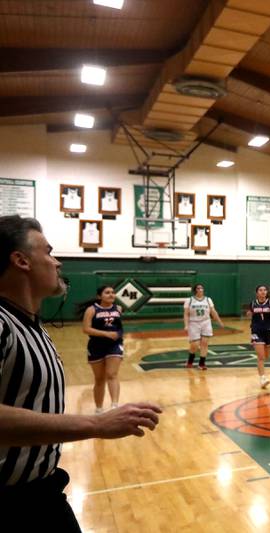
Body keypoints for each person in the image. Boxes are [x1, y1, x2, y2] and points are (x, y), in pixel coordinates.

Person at [0, 215, 160, 530]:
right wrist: (95, 423)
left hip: (42, 493)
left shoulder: (32, 326)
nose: (57, 262)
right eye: (48, 252)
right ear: (21, 261)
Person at [80, 285, 124, 413]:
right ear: (100, 296)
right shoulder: (92, 310)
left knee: (112, 374)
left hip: (114, 345)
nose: (111, 295)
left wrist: (116, 335)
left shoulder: (118, 309)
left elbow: (119, 327)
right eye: (107, 292)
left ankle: (115, 406)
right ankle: (99, 409)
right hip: (96, 346)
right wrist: (106, 334)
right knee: (99, 379)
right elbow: (86, 329)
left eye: (113, 292)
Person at [247, 285, 270, 388]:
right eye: (260, 290)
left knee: (266, 356)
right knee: (261, 357)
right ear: (257, 293)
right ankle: (262, 378)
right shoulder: (253, 303)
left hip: (268, 331)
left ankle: (262, 373)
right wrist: (249, 314)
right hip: (256, 331)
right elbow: (249, 313)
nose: (263, 292)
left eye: (264, 290)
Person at [183, 283, 224, 370]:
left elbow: (213, 312)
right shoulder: (189, 300)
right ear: (195, 290)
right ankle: (190, 361)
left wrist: (219, 322)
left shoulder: (208, 300)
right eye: (198, 288)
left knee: (205, 343)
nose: (200, 289)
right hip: (193, 323)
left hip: (206, 322)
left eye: (202, 288)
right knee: (195, 344)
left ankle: (201, 364)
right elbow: (186, 314)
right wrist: (186, 325)